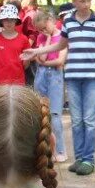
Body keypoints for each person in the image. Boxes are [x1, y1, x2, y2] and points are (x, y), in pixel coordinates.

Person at [23, 0, 95, 177]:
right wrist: (36, 51)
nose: (86, 4)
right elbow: (59, 46)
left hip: (92, 77)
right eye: (82, 1)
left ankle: (88, 159)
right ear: (74, 1)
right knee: (76, 120)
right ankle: (79, 158)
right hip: (72, 76)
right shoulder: (68, 23)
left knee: (89, 119)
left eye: (88, 0)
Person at [29, 9, 67, 162]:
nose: (43, 31)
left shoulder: (62, 37)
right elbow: (40, 59)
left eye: (45, 27)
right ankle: (44, 149)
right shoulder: (42, 37)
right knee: (41, 113)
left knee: (55, 115)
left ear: (51, 21)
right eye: (40, 30)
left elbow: (60, 62)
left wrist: (45, 61)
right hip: (41, 75)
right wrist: (47, 38)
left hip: (55, 77)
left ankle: (60, 150)